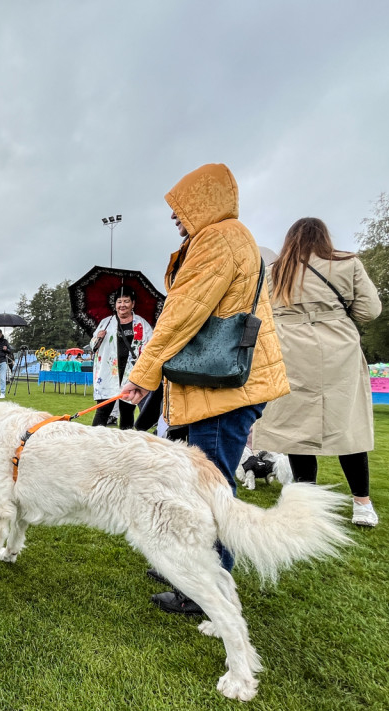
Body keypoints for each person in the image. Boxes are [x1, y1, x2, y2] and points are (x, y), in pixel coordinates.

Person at [119, 163, 289, 616]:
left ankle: (205, 584)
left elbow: (182, 313)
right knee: (205, 482)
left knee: (212, 488)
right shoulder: (227, 237)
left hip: (223, 392)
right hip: (223, 387)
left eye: (181, 208)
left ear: (203, 202)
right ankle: (191, 567)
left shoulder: (218, 238)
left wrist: (142, 374)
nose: (176, 218)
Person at [251, 217, 382, 527]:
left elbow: (260, 313)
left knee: (297, 429)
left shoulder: (274, 272)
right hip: (339, 350)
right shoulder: (347, 264)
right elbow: (370, 310)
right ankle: (362, 504)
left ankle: (305, 503)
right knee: (348, 426)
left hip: (291, 351)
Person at [91, 287, 151, 429]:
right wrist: (98, 338)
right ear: (115, 304)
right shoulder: (107, 322)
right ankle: (93, 443)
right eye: (119, 301)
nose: (122, 305)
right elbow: (93, 344)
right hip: (108, 373)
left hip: (130, 374)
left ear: (133, 304)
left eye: (126, 301)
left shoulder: (141, 324)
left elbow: (152, 344)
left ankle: (126, 445)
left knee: (127, 411)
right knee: (102, 410)